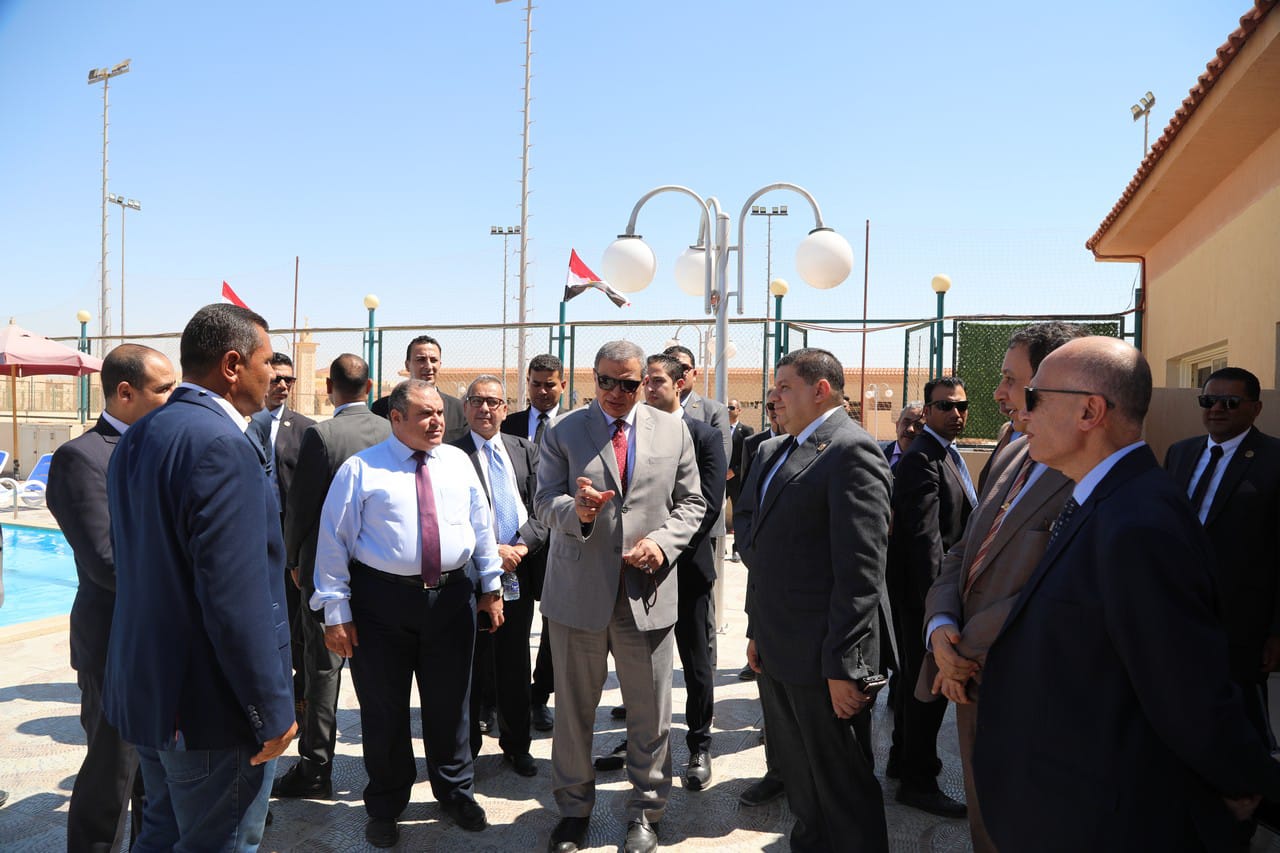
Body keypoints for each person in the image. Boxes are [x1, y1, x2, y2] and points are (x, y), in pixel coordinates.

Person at [974, 336, 1280, 851]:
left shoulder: (1138, 522)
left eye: (1035, 397)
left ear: (1090, 411)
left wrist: (1240, 783)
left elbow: (1187, 687)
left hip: (1105, 820)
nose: (1022, 413)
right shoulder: (1105, 498)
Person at [104, 304, 297, 851]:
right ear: (232, 365)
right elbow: (235, 600)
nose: (274, 374)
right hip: (211, 708)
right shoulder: (222, 446)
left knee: (159, 836)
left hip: (151, 692)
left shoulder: (141, 432)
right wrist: (270, 710)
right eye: (266, 362)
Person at [916, 321, 1085, 850]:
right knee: (984, 816)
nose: (997, 393)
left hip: (1025, 687)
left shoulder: (1089, 472)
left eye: (1012, 379)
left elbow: (1053, 592)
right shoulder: (1012, 450)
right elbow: (964, 551)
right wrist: (941, 626)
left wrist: (959, 652)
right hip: (967, 677)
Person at [312, 379, 503, 847]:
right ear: (396, 418)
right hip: (381, 605)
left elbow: (481, 527)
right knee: (385, 709)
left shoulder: (457, 462)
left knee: (451, 704)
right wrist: (336, 612)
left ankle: (455, 791)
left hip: (452, 600)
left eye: (439, 412)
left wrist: (492, 586)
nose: (437, 421)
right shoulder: (361, 469)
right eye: (425, 414)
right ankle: (385, 803)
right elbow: (333, 542)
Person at [534, 340, 705, 853]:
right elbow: (543, 501)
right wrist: (577, 512)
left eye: (628, 383)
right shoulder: (564, 430)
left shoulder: (673, 429)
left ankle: (646, 812)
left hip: (645, 592)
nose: (616, 392)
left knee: (650, 714)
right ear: (593, 377)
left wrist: (662, 543)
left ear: (644, 382)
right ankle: (573, 811)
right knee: (573, 714)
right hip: (577, 595)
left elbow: (693, 502)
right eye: (606, 381)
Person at [735, 348, 893, 852]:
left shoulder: (851, 450)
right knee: (802, 781)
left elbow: (861, 572)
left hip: (825, 655)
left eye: (785, 386)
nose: (774, 396)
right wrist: (757, 631)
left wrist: (843, 664)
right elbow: (764, 547)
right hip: (780, 647)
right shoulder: (778, 449)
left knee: (841, 786)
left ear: (820, 389)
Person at [47, 343, 174, 851]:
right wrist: (185, 577)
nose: (174, 398)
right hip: (114, 642)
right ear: (125, 392)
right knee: (112, 772)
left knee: (153, 776)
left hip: (159, 638)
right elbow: (105, 560)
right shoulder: (82, 457)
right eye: (164, 389)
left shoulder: (160, 447)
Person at [273, 354, 390, 800]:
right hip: (379, 574)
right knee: (381, 675)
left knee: (322, 672)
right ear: (370, 386)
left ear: (329, 388)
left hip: (325, 572)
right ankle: (383, 767)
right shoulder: (391, 431)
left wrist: (292, 558)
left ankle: (316, 767)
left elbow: (301, 509)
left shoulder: (321, 435)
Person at [1165, 369, 1280, 760]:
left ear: (1256, 408)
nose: (1217, 409)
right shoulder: (1180, 453)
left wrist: (1277, 631)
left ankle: (1249, 785)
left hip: (1241, 623)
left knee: (1241, 725)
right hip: (1179, 610)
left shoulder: (1274, 460)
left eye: (1230, 402)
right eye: (1208, 400)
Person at [452, 374, 549, 776]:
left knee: (514, 662)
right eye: (477, 400)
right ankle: (467, 750)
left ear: (506, 409)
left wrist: (521, 548)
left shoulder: (525, 450)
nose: (485, 409)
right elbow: (447, 516)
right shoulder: (450, 455)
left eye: (493, 402)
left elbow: (543, 507)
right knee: (469, 665)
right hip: (470, 576)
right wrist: (492, 550)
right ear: (466, 407)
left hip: (517, 572)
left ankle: (517, 744)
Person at [886, 376, 974, 818]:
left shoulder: (946, 453)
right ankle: (918, 781)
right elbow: (926, 543)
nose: (955, 414)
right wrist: (939, 610)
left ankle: (903, 761)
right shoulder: (922, 458)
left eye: (961, 406)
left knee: (912, 685)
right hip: (924, 598)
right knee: (927, 690)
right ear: (926, 412)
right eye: (945, 406)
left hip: (929, 595)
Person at [642, 354, 726, 791]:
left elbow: (707, 504)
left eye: (657, 381)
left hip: (687, 567)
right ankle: (642, 745)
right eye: (645, 381)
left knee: (696, 663)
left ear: (679, 385)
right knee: (643, 667)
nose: (648, 388)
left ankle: (699, 745)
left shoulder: (704, 435)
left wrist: (665, 548)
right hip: (642, 570)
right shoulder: (634, 432)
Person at [249, 351, 316, 735]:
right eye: (275, 378)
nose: (282, 386)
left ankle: (298, 701)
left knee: (295, 624)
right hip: (250, 535)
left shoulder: (306, 429)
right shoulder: (242, 423)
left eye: (288, 380)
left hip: (289, 540)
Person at [501, 353, 567, 733]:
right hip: (516, 541)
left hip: (559, 538)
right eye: (536, 384)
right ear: (527, 383)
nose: (542, 391)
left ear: (562, 385)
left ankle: (539, 695)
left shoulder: (575, 426)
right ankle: (499, 698)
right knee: (509, 621)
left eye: (550, 384)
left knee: (554, 622)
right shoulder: (507, 424)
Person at [735, 394, 787, 809]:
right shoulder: (765, 451)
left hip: (816, 604)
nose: (776, 408)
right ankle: (778, 771)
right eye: (771, 402)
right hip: (766, 595)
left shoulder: (843, 450)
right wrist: (761, 560)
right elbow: (746, 513)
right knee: (771, 688)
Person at [371, 335, 468, 443]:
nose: (428, 366)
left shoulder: (458, 409)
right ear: (407, 365)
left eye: (433, 360)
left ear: (440, 365)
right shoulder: (382, 408)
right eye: (421, 360)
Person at [724, 398, 754, 562]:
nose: (728, 410)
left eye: (731, 407)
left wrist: (734, 471)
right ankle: (719, 546)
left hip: (736, 481)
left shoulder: (746, 431)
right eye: (727, 407)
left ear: (739, 410)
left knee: (737, 514)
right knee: (716, 512)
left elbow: (748, 456)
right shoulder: (719, 429)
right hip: (721, 479)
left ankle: (737, 549)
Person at [881, 402, 923, 471]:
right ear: (897, 426)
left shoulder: (929, 462)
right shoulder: (878, 452)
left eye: (918, 425)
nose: (910, 429)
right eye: (906, 422)